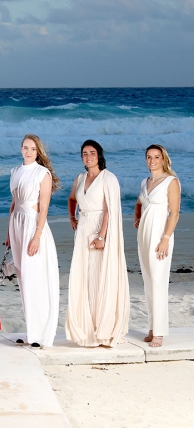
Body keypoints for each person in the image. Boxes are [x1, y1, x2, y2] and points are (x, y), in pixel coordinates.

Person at [65, 139, 129, 347]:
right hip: (83, 229)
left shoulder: (108, 178)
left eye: (92, 153)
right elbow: (72, 199)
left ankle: (103, 330)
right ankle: (87, 331)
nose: (88, 157)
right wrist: (72, 217)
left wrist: (102, 236)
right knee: (84, 277)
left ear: (99, 155)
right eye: (84, 153)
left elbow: (110, 209)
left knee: (100, 276)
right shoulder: (80, 178)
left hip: (100, 230)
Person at [6, 134, 60, 349]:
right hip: (17, 225)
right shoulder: (15, 171)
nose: (28, 151)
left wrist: (36, 236)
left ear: (38, 152)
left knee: (35, 279)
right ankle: (31, 332)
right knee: (23, 281)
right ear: (21, 149)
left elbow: (44, 207)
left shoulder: (42, 173)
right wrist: (9, 233)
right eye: (25, 147)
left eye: (32, 148)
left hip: (32, 227)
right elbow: (13, 203)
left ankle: (40, 334)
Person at [134, 144, 180, 347]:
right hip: (144, 235)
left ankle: (159, 332)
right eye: (149, 157)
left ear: (163, 159)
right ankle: (153, 327)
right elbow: (139, 203)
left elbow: (175, 213)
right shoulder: (145, 182)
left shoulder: (171, 181)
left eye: (156, 157)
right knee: (148, 282)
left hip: (160, 236)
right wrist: (137, 217)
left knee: (159, 281)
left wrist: (165, 239)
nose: (152, 161)